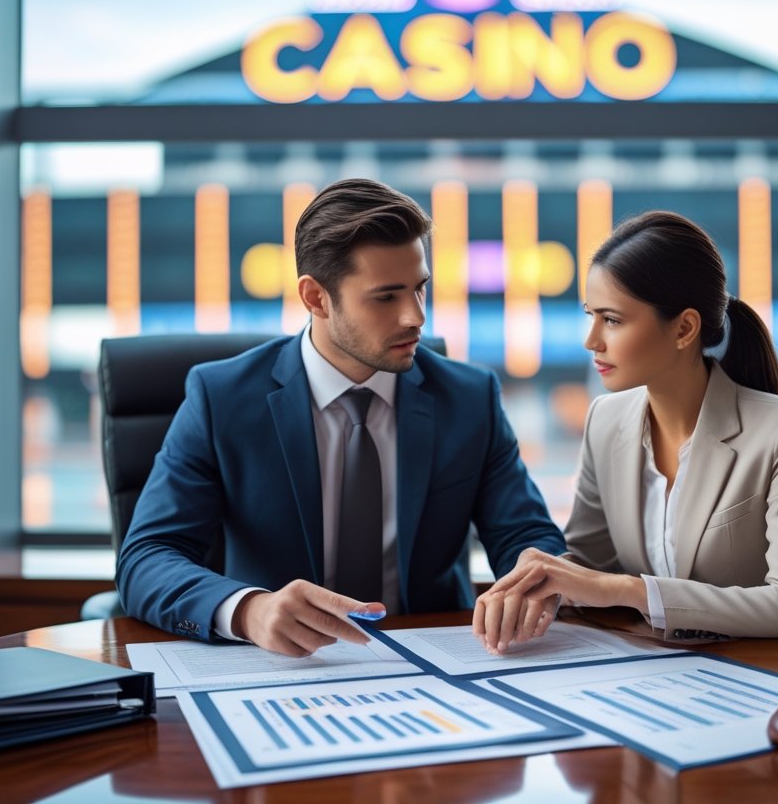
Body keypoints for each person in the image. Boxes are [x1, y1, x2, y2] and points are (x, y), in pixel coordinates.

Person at [117, 178, 564, 657]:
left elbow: (528, 537)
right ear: (315, 298)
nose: (416, 317)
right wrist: (250, 611)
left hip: (437, 660)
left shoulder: (469, 397)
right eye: (387, 296)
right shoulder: (221, 398)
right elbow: (147, 560)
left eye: (420, 289)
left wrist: (531, 584)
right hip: (286, 670)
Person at [474, 211, 778, 652]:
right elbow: (590, 563)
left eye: (612, 320)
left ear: (684, 328)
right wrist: (544, 572)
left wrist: (630, 590)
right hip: (646, 669)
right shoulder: (605, 421)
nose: (591, 340)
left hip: (756, 675)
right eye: (591, 315)